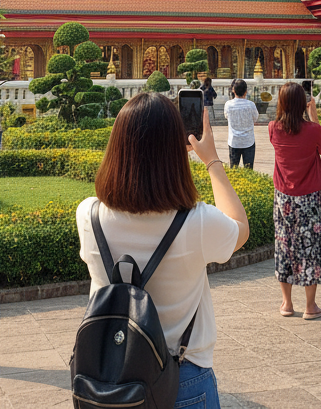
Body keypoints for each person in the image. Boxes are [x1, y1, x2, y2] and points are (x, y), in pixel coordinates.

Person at [76, 92, 249, 408]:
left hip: (108, 376)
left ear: (116, 146)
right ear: (176, 149)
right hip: (181, 375)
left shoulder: (88, 215)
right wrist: (211, 160)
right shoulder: (197, 223)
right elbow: (239, 226)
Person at [267, 81, 321, 320]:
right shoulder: (312, 130)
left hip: (284, 197)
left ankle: (286, 304)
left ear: (282, 103)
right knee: (311, 249)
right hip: (310, 199)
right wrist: (313, 116)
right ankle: (310, 306)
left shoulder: (273, 127)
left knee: (285, 246)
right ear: (302, 104)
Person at [224, 78, 259, 168]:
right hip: (248, 141)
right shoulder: (251, 105)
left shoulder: (228, 104)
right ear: (246, 91)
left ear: (233, 90)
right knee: (248, 169)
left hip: (234, 141)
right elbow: (255, 118)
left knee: (233, 168)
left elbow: (226, 116)